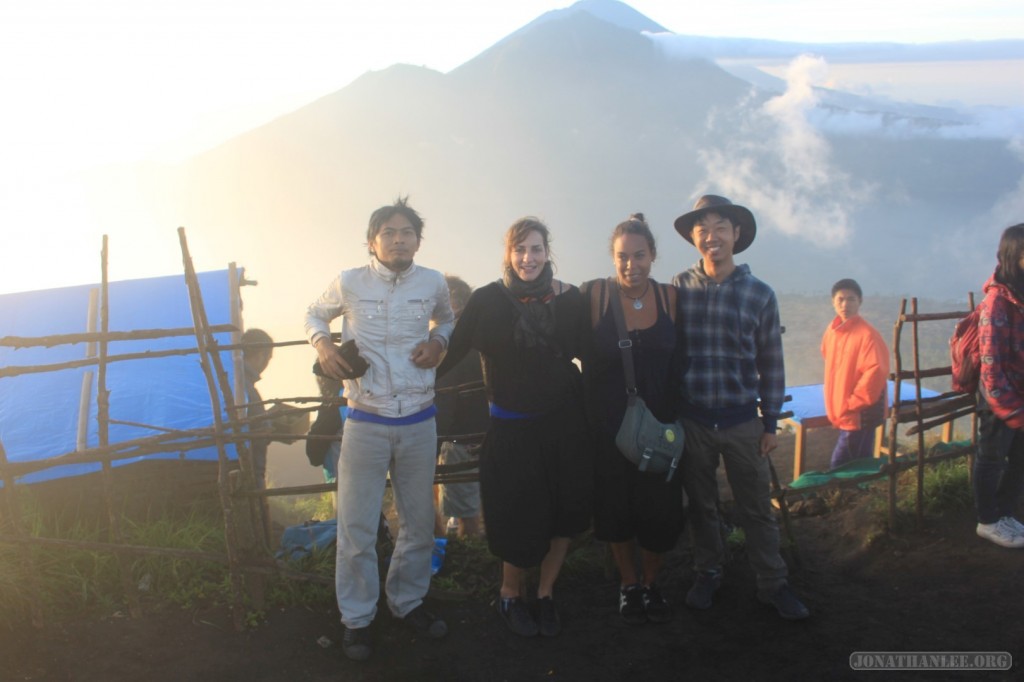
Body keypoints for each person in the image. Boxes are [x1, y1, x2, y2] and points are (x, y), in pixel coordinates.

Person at [303, 197, 454, 661]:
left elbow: (447, 318)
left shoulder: (433, 282)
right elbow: (313, 313)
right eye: (388, 232)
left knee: (418, 525)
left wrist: (439, 341)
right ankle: (358, 618)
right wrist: (323, 343)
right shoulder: (349, 282)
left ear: (418, 240)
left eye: (407, 231)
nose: (398, 238)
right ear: (372, 241)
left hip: (418, 419)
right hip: (365, 418)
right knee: (356, 525)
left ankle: (407, 602)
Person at [436, 218, 590, 638]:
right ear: (508, 254)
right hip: (513, 432)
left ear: (548, 253)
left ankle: (545, 593)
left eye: (536, 249)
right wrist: (401, 376)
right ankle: (509, 593)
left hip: (564, 426)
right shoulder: (488, 301)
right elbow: (449, 353)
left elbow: (591, 355)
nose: (528, 258)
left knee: (563, 514)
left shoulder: (570, 299)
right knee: (517, 516)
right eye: (520, 250)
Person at [672, 194, 809, 620]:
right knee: (701, 504)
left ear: (737, 234)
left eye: (720, 227)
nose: (711, 237)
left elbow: (771, 361)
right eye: (702, 229)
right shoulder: (678, 289)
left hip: (741, 421)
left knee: (755, 507)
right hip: (693, 419)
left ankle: (772, 582)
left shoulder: (759, 295)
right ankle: (709, 571)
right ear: (694, 237)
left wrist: (770, 422)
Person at [580, 213, 685, 625]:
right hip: (610, 430)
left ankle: (652, 583)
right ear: (612, 257)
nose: (630, 265)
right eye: (622, 257)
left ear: (653, 256)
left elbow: (683, 359)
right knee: (616, 510)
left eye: (639, 256)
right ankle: (629, 585)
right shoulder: (595, 298)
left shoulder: (670, 298)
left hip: (661, 426)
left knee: (660, 512)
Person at [974, 223, 1024, 549]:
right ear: (1013, 256)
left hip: (1020, 391)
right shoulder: (997, 303)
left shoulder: (1021, 293)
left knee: (1020, 456)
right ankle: (987, 521)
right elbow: (991, 367)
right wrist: (1011, 410)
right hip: (1000, 397)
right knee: (992, 457)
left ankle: (1006, 513)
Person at [434, 275, 486, 540]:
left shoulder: (452, 344)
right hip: (488, 434)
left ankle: (473, 564)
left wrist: (433, 445)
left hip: (461, 440)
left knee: (469, 519)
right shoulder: (483, 336)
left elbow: (445, 402)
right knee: (483, 509)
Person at [821, 278, 890, 469]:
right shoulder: (833, 331)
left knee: (842, 465)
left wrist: (851, 403)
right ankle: (858, 496)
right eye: (840, 299)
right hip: (844, 411)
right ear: (832, 302)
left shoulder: (868, 335)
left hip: (859, 414)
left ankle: (854, 496)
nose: (845, 305)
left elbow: (876, 373)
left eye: (851, 299)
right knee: (857, 465)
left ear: (860, 302)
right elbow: (828, 358)